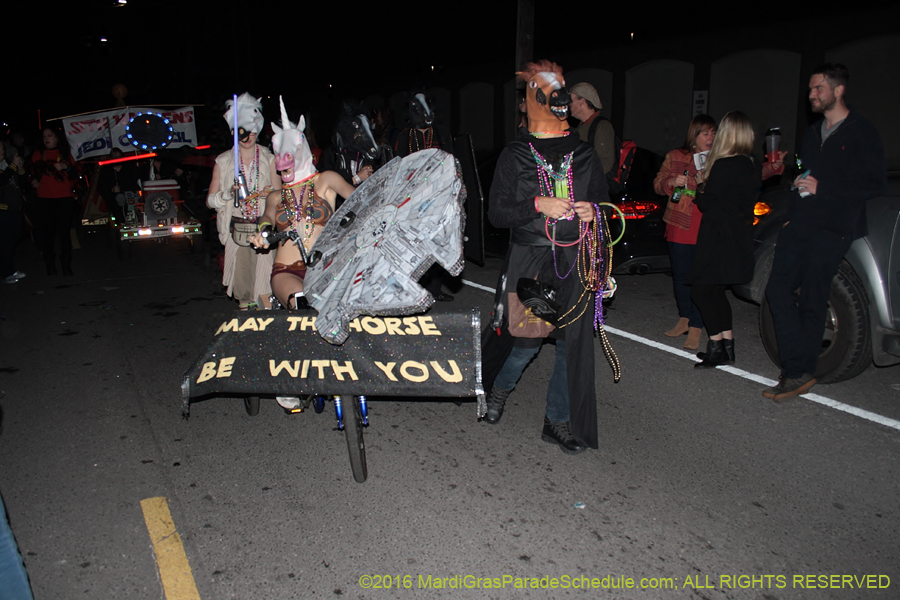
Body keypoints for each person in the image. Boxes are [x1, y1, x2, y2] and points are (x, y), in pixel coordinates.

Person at [481, 60, 614, 454]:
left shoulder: (585, 155)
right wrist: (537, 203)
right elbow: (497, 214)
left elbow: (606, 208)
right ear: (529, 100)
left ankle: (557, 421)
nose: (557, 94)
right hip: (530, 260)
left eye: (560, 86)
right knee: (526, 343)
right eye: (546, 87)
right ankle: (500, 389)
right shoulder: (516, 155)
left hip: (575, 260)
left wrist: (594, 211)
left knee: (573, 344)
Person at [763, 63, 886, 400]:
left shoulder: (861, 131)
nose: (812, 95)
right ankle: (796, 366)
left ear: (838, 90)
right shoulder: (812, 132)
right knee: (777, 291)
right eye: (811, 89)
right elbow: (804, 175)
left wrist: (824, 187)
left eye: (818, 88)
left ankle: (797, 372)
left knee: (815, 297)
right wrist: (791, 212)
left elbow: (874, 182)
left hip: (834, 227)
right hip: (801, 223)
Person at [655, 116, 785, 350]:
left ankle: (700, 329)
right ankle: (690, 322)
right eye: (705, 133)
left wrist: (773, 168)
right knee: (685, 278)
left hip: (708, 228)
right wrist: (672, 181)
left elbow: (739, 181)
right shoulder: (677, 156)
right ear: (694, 135)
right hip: (680, 223)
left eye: (715, 133)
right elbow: (658, 184)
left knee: (703, 283)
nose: (711, 138)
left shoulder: (721, 160)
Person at [685, 111, 762, 368]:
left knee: (702, 290)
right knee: (717, 290)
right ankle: (728, 346)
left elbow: (709, 204)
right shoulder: (750, 164)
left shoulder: (724, 165)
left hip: (717, 238)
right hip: (737, 236)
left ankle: (717, 345)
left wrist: (700, 184)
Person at [207, 93, 280, 310]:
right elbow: (210, 201)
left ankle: (265, 333)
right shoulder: (223, 161)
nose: (247, 137)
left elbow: (279, 197)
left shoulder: (270, 159)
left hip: (263, 228)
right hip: (237, 230)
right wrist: (228, 194)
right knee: (243, 288)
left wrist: (268, 195)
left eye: (251, 131)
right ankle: (247, 330)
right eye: (242, 132)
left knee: (265, 285)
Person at [394, 91, 456, 302]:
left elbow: (451, 162)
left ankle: (435, 288)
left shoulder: (441, 133)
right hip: (412, 201)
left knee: (437, 242)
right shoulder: (404, 136)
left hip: (438, 198)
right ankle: (413, 288)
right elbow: (398, 167)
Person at [29, 127, 79, 276]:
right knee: (47, 234)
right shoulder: (38, 154)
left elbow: (77, 174)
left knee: (64, 233)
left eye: (49, 136)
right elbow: (33, 174)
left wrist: (66, 166)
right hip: (44, 199)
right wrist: (34, 182)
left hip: (63, 198)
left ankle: (66, 265)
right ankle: (50, 265)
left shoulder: (65, 154)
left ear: (57, 138)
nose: (46, 139)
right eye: (44, 136)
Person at [569, 82, 616, 177]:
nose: (568, 103)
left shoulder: (602, 126)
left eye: (570, 99)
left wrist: (581, 177)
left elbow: (605, 163)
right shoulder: (581, 127)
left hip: (591, 189)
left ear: (581, 101)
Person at [0, 141, 27, 284]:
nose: (2, 150)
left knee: (13, 240)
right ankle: (5, 273)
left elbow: (21, 183)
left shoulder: (7, 164)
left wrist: (20, 169)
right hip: (3, 210)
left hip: (15, 208)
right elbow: (2, 180)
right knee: (6, 242)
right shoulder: (8, 167)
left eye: (2, 147)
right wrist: (12, 167)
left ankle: (10, 270)